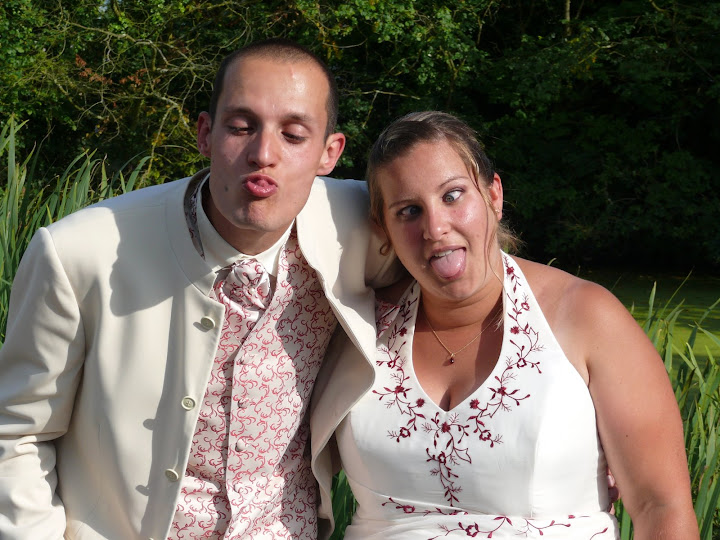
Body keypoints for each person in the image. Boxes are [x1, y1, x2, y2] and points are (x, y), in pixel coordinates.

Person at [0, 39, 397, 539]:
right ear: (205, 133)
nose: (263, 154)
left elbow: (459, 258)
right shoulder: (78, 253)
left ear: (329, 153)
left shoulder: (366, 227)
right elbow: (17, 433)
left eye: (294, 135)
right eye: (241, 127)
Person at [310, 111, 699, 539]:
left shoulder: (586, 316)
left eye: (453, 195)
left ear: (494, 196)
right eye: (409, 211)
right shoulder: (359, 325)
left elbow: (660, 506)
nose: (435, 228)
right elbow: (288, 195)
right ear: (382, 227)